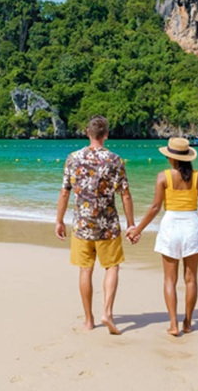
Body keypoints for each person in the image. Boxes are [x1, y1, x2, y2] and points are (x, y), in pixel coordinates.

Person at [127, 137, 198, 336]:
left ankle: (174, 324)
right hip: (192, 225)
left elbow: (155, 207)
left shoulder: (163, 177)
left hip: (171, 226)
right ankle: (188, 323)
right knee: (191, 279)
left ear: (171, 158)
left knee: (170, 279)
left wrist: (137, 229)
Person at [55, 115, 135, 335]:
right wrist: (131, 224)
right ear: (106, 134)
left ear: (87, 133)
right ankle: (107, 312)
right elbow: (125, 195)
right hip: (108, 225)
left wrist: (59, 220)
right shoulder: (115, 160)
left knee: (85, 270)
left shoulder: (72, 158)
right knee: (112, 267)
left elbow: (64, 191)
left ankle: (89, 320)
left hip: (82, 225)